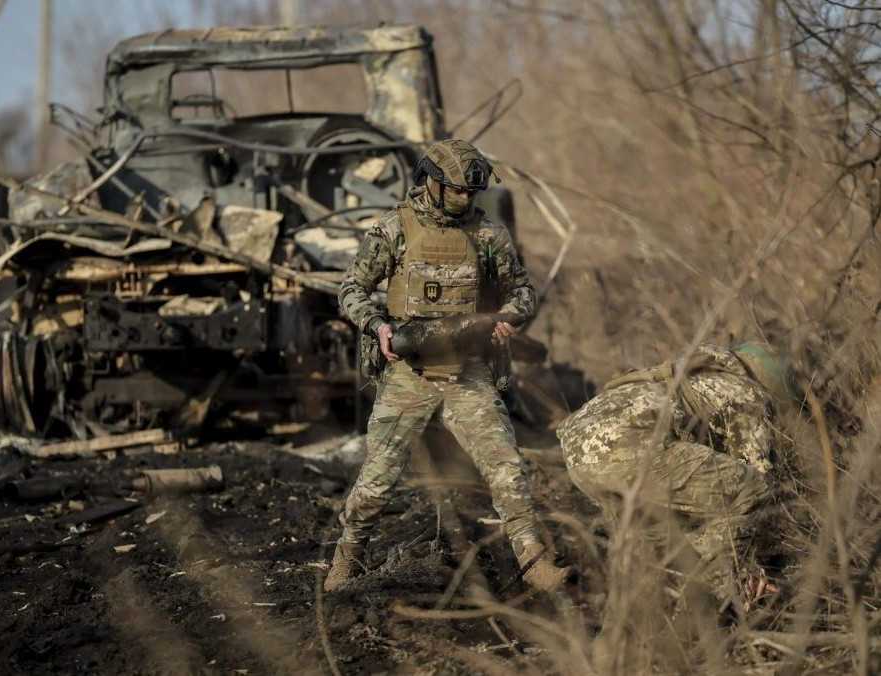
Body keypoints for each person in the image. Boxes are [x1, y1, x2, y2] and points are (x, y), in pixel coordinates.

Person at [325, 139, 570, 592]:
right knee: (377, 483)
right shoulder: (394, 229)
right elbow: (351, 290)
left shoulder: (488, 235)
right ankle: (348, 557)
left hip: (467, 373)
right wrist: (377, 327)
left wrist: (508, 320)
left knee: (507, 469)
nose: (464, 199)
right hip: (408, 375)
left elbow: (523, 292)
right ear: (432, 184)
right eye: (456, 190)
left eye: (470, 193)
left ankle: (535, 563)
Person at [556, 342, 792, 607]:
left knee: (657, 537)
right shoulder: (747, 392)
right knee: (752, 489)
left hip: (578, 452)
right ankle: (710, 598)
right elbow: (759, 478)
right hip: (627, 446)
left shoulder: (686, 374)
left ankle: (624, 632)